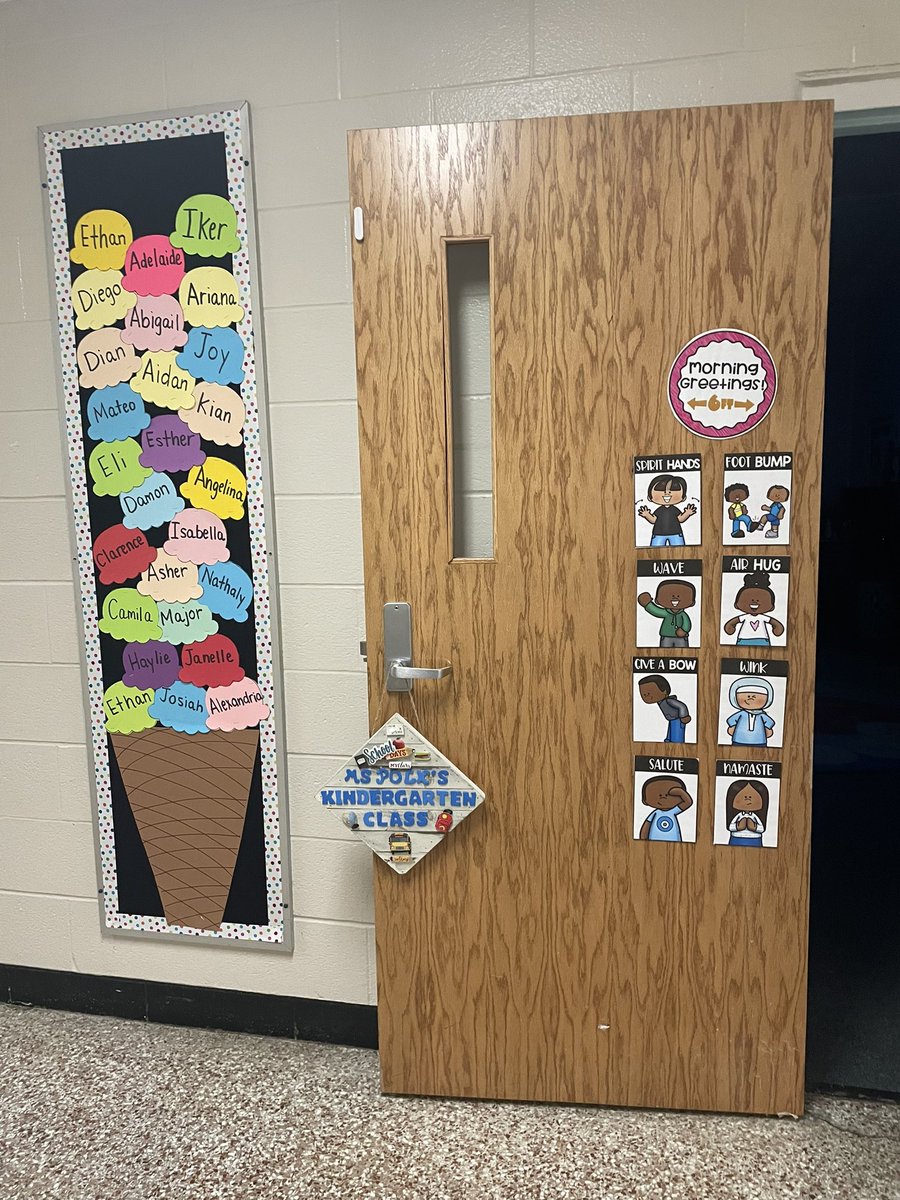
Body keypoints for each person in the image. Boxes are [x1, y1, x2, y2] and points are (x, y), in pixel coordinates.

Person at [723, 570, 785, 646]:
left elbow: (774, 623)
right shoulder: (745, 617)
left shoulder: (763, 617)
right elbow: (733, 622)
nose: (755, 602)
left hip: (762, 640)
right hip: (743, 639)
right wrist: (730, 627)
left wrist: (778, 628)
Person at [637, 474, 698, 547]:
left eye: (673, 489)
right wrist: (646, 515)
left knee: (680, 550)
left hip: (676, 533)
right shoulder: (659, 510)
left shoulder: (674, 510)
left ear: (683, 497)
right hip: (658, 534)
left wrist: (687, 513)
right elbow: (653, 520)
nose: (667, 493)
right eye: (661, 489)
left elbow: (680, 519)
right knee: (655, 552)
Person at [637, 580, 696, 648]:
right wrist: (648, 604)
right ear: (657, 600)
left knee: (684, 652)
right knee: (664, 652)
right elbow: (656, 611)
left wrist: (684, 630)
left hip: (681, 638)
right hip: (666, 637)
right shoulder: (666, 613)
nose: (675, 597)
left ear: (692, 602)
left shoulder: (682, 615)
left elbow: (687, 623)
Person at [637, 673, 692, 743]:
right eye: (644, 695)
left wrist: (684, 716)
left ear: (664, 691)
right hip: (671, 719)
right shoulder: (660, 702)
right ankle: (669, 740)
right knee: (669, 737)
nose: (647, 697)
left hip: (678, 720)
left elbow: (682, 706)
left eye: (648, 694)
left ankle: (676, 743)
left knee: (676, 738)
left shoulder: (669, 701)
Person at [638, 775, 693, 842]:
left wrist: (680, 793)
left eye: (667, 794)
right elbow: (646, 826)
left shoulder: (673, 811)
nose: (663, 797)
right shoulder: (655, 813)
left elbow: (688, 803)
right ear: (645, 800)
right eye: (659, 795)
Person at [725, 677, 776, 746]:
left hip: (760, 741)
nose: (751, 698)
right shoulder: (741, 714)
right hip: (738, 740)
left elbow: (769, 724)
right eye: (747, 695)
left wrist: (768, 729)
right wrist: (732, 728)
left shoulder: (761, 715)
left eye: (755, 696)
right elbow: (731, 722)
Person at [723, 779, 769, 847]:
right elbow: (731, 826)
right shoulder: (739, 815)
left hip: (755, 839)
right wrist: (738, 827)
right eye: (745, 797)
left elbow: (761, 828)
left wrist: (754, 827)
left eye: (750, 797)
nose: (748, 799)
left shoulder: (754, 816)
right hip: (737, 838)